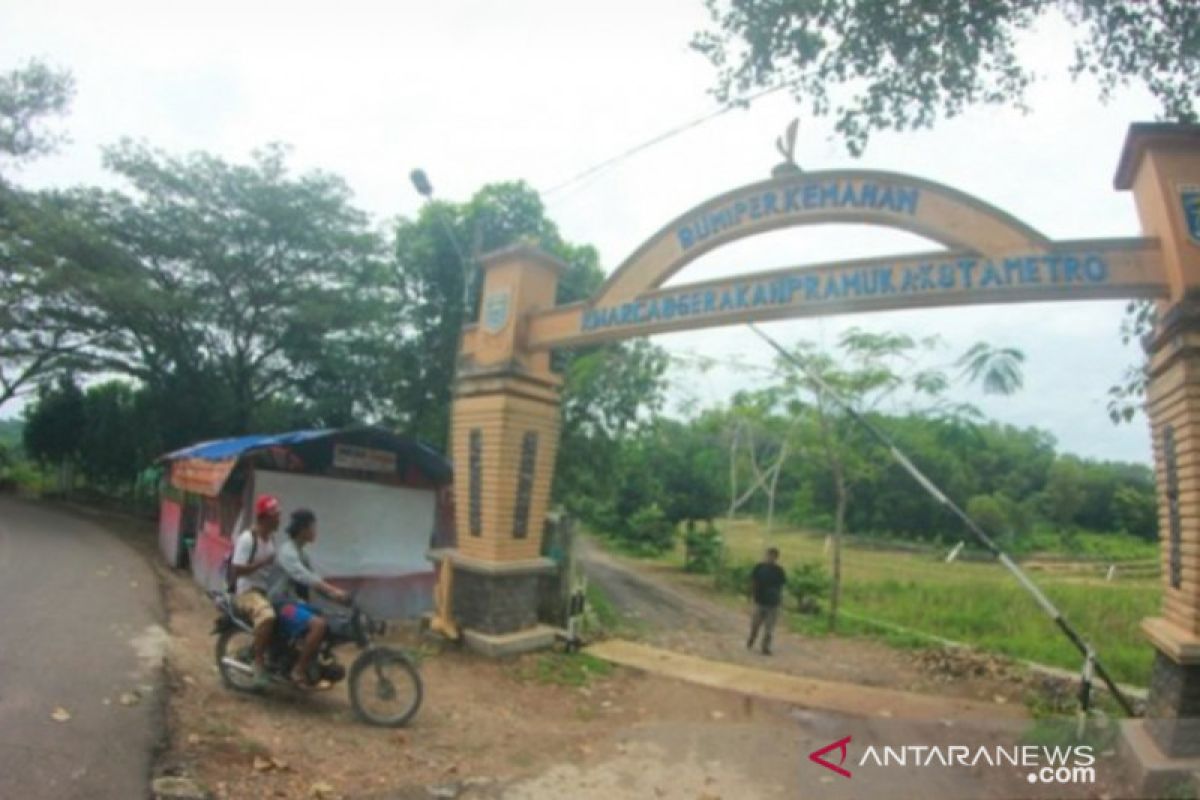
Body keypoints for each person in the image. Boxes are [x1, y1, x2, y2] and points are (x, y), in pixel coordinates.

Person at [270, 508, 349, 689]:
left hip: (293, 602)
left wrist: (337, 596)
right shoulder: (288, 552)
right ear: (303, 529)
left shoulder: (301, 552)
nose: (315, 531)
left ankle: (312, 662)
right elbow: (304, 576)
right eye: (313, 527)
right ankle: (298, 669)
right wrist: (333, 590)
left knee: (327, 620)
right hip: (280, 603)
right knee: (318, 625)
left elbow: (315, 580)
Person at [230, 494, 282, 688]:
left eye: (278, 514)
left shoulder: (271, 540)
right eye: (275, 515)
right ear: (264, 518)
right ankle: (258, 663)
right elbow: (237, 570)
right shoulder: (247, 539)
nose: (278, 518)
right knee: (267, 616)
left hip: (264, 591)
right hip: (247, 592)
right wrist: (263, 563)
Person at [746, 547, 787, 655]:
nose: (770, 558)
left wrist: (780, 600)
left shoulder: (779, 571)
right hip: (760, 601)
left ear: (776, 558)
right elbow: (753, 582)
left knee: (769, 628)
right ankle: (752, 638)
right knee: (755, 625)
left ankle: (765, 647)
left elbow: (781, 587)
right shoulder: (759, 568)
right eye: (769, 556)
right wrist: (751, 595)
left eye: (773, 556)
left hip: (773, 603)